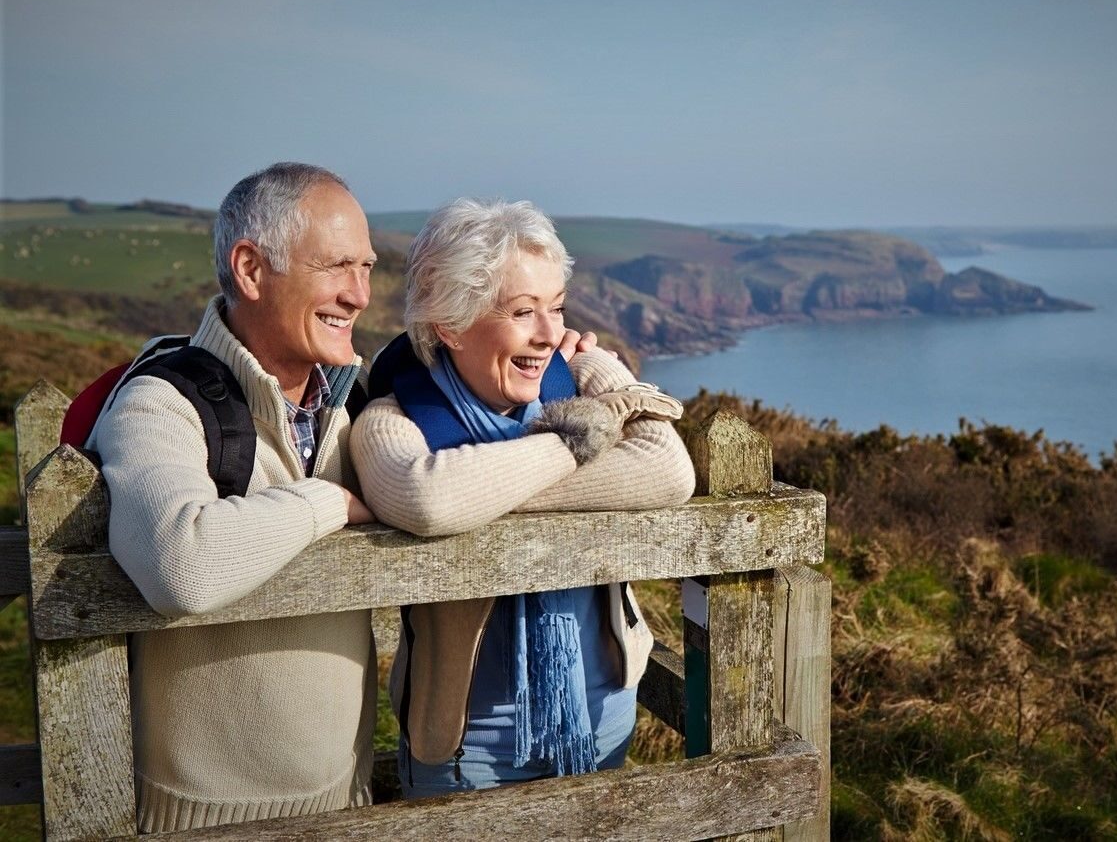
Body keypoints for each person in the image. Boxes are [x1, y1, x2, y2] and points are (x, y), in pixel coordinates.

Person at [350, 198, 695, 798]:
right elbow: (429, 498)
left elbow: (668, 471)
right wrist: (580, 440)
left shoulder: (573, 379)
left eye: (557, 308)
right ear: (449, 325)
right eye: (521, 312)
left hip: (602, 720)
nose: (548, 334)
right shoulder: (393, 418)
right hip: (466, 750)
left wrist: (598, 366)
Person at [87, 162, 381, 832]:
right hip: (204, 818)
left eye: (366, 267)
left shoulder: (352, 403)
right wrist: (327, 502)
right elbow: (179, 564)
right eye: (338, 266)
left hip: (350, 803)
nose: (360, 294)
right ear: (250, 269)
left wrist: (577, 365)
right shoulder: (159, 402)